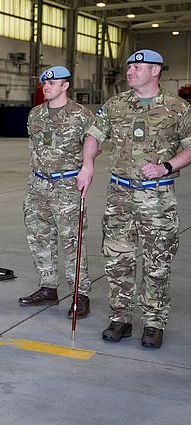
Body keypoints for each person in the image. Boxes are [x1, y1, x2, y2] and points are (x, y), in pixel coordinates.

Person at [78, 49, 191, 349]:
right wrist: (88, 164)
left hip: (157, 198)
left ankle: (153, 323)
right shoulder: (115, 105)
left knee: (157, 261)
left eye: (137, 66)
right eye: (129, 66)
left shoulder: (177, 108)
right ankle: (121, 318)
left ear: (155, 71)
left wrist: (166, 166)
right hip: (119, 195)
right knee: (117, 258)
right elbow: (93, 136)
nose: (130, 71)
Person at [18, 66, 93, 319]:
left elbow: (93, 148)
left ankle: (80, 294)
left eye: (52, 83)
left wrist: (85, 169)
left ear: (65, 86)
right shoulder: (35, 114)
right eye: (44, 84)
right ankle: (48, 286)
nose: (46, 87)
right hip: (38, 185)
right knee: (39, 238)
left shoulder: (81, 115)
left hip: (67, 186)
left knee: (72, 241)